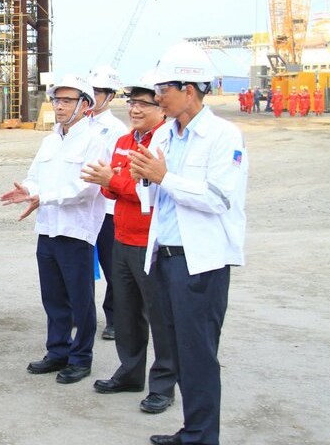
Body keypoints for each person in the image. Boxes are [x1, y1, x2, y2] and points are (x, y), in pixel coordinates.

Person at [128, 42, 248, 445]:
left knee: (198, 354)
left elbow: (218, 198)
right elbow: (156, 200)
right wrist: (145, 177)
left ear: (190, 89)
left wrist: (163, 177)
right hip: (164, 256)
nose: (157, 96)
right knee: (177, 348)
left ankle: (202, 435)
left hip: (200, 264)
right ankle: (191, 430)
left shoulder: (223, 135)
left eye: (164, 88)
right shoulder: (166, 135)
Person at [81, 72, 176, 414]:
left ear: (160, 107)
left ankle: (164, 385)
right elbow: (112, 187)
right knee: (126, 311)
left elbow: (148, 191)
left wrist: (114, 181)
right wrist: (113, 181)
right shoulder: (124, 140)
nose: (134, 109)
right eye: (132, 102)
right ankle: (130, 372)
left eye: (143, 103)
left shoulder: (163, 141)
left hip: (151, 240)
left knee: (160, 315)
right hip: (121, 235)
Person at [1, 75, 107, 384]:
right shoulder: (50, 140)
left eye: (66, 100)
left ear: (85, 105)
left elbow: (87, 187)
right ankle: (58, 351)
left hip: (76, 231)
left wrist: (41, 196)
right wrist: (29, 189)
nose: (59, 106)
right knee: (53, 297)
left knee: (80, 298)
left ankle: (81, 357)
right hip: (47, 228)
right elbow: (35, 175)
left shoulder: (94, 140)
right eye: (56, 100)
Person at [87, 65, 128, 340]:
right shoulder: (78, 122)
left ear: (110, 96)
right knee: (80, 266)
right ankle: (82, 314)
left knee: (113, 268)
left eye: (98, 92)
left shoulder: (115, 129)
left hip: (108, 208)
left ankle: (115, 319)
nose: (92, 96)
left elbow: (118, 168)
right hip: (82, 205)